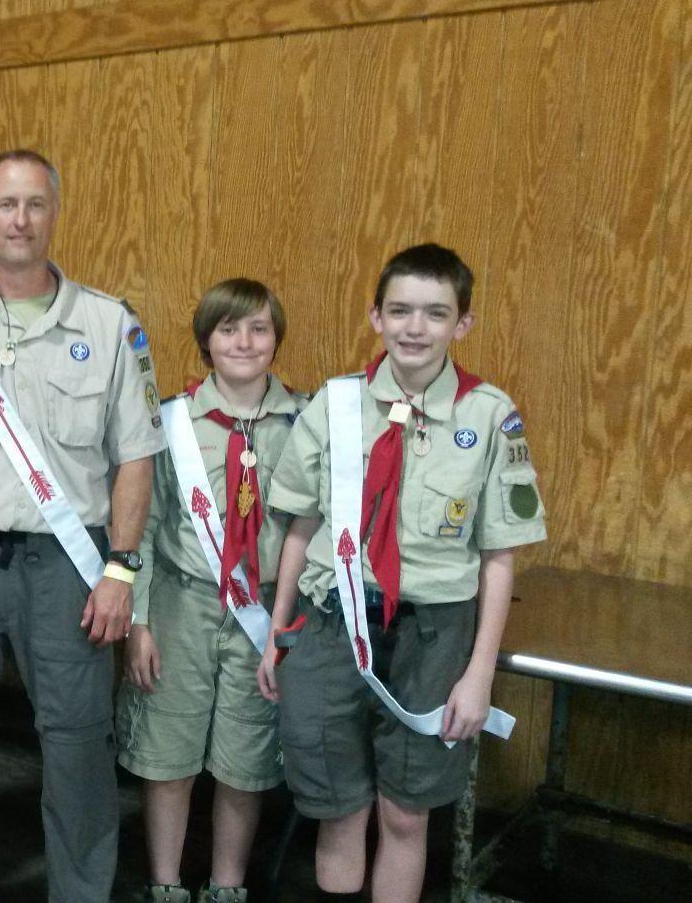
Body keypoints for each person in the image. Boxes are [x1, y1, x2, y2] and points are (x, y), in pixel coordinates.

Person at [0, 149, 165, 902]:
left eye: (35, 204)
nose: (20, 219)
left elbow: (136, 458)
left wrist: (121, 569)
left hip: (68, 570)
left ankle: (80, 893)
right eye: (6, 204)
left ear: (54, 214)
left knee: (78, 746)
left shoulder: (110, 326)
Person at [258, 243, 547, 902]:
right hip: (332, 618)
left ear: (463, 324)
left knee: (405, 809)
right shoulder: (334, 406)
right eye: (400, 311)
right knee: (338, 808)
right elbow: (300, 525)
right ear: (375, 317)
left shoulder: (489, 416)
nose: (415, 327)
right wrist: (278, 630)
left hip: (433, 631)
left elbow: (499, 555)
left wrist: (478, 675)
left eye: (435, 313)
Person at [116, 279, 304, 903]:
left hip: (264, 609)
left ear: (277, 338)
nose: (244, 342)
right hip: (181, 600)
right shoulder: (170, 421)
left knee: (245, 758)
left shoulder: (303, 424)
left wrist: (288, 625)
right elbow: (137, 526)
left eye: (258, 329)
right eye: (228, 329)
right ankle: (165, 883)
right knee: (167, 750)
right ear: (205, 340)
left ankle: (228, 885)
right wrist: (139, 621)